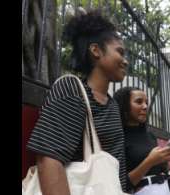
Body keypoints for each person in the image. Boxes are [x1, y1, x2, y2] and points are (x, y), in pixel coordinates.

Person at [26, 10, 130, 194]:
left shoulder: (112, 105)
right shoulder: (72, 91)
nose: (125, 61)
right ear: (96, 50)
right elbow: (48, 161)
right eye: (120, 52)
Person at [113, 87, 170, 194]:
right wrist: (150, 161)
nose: (145, 106)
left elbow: (159, 169)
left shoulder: (150, 135)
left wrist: (163, 159)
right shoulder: (118, 138)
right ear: (124, 106)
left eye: (146, 102)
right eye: (139, 102)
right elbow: (121, 184)